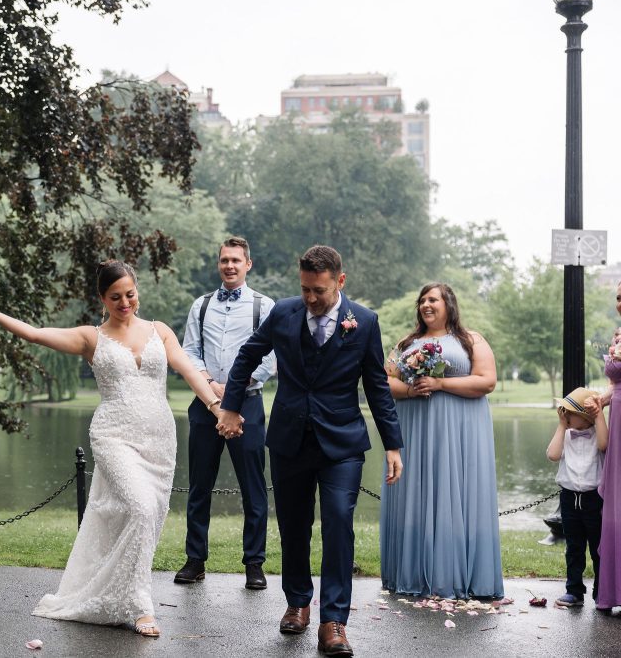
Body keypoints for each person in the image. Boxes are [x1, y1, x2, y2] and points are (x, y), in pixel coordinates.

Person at [0, 260, 227, 638]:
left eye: (130, 294)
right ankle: (141, 606)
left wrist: (218, 409)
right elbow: (36, 335)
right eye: (116, 297)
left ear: (137, 290)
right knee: (140, 506)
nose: (125, 303)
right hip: (113, 436)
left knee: (150, 514)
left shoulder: (160, 331)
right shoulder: (91, 337)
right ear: (102, 298)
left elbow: (189, 371)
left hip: (158, 439)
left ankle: (117, 591)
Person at [216, 245, 402, 658]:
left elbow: (376, 386)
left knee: (338, 522)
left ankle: (333, 622)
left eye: (318, 290)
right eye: (305, 290)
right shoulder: (283, 312)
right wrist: (230, 405)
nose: (311, 299)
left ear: (340, 280)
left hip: (342, 443)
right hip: (289, 439)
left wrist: (393, 444)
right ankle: (298, 603)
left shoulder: (365, 322)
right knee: (294, 525)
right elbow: (248, 355)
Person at [380, 282, 502, 601]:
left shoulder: (470, 339)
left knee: (458, 492)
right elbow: (384, 381)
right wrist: (410, 389)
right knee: (416, 494)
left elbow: (486, 381)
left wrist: (440, 382)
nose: (426, 304)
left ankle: (461, 575)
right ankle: (410, 574)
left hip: (460, 429)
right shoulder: (408, 343)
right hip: (415, 428)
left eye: (433, 299)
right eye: (422, 300)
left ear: (449, 303)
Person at [175, 237, 275, 590]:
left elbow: (269, 358)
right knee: (200, 484)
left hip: (247, 403)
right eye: (224, 260)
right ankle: (195, 560)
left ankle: (254, 564)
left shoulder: (263, 306)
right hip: (205, 403)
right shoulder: (200, 306)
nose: (229, 266)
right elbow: (190, 352)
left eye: (236, 260)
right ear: (218, 264)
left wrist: (231, 389)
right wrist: (211, 389)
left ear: (248, 264)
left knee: (253, 487)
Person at [547, 387, 607, 608]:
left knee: (598, 548)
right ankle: (574, 591)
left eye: (568, 412)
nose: (563, 413)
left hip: (594, 500)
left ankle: (602, 591)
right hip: (569, 499)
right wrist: (562, 426)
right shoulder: (566, 435)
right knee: (574, 547)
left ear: (584, 416)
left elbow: (604, 444)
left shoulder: (596, 436)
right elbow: (552, 455)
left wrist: (599, 414)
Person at [591, 279, 621, 614]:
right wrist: (602, 399)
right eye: (618, 298)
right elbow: (617, 384)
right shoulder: (619, 335)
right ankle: (614, 589)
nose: (620, 302)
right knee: (616, 506)